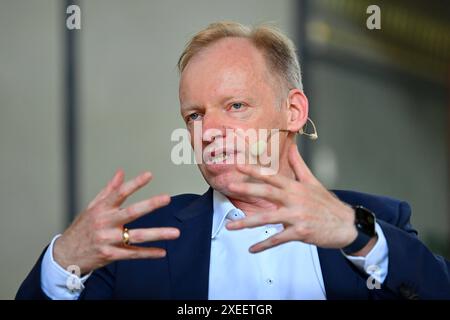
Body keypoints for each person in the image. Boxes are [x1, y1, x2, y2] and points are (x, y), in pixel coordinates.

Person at [16, 21, 450, 300]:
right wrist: (64, 259)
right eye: (195, 115)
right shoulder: (143, 240)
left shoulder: (380, 221)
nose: (209, 130)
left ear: (293, 111)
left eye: (236, 105)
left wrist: (357, 234)